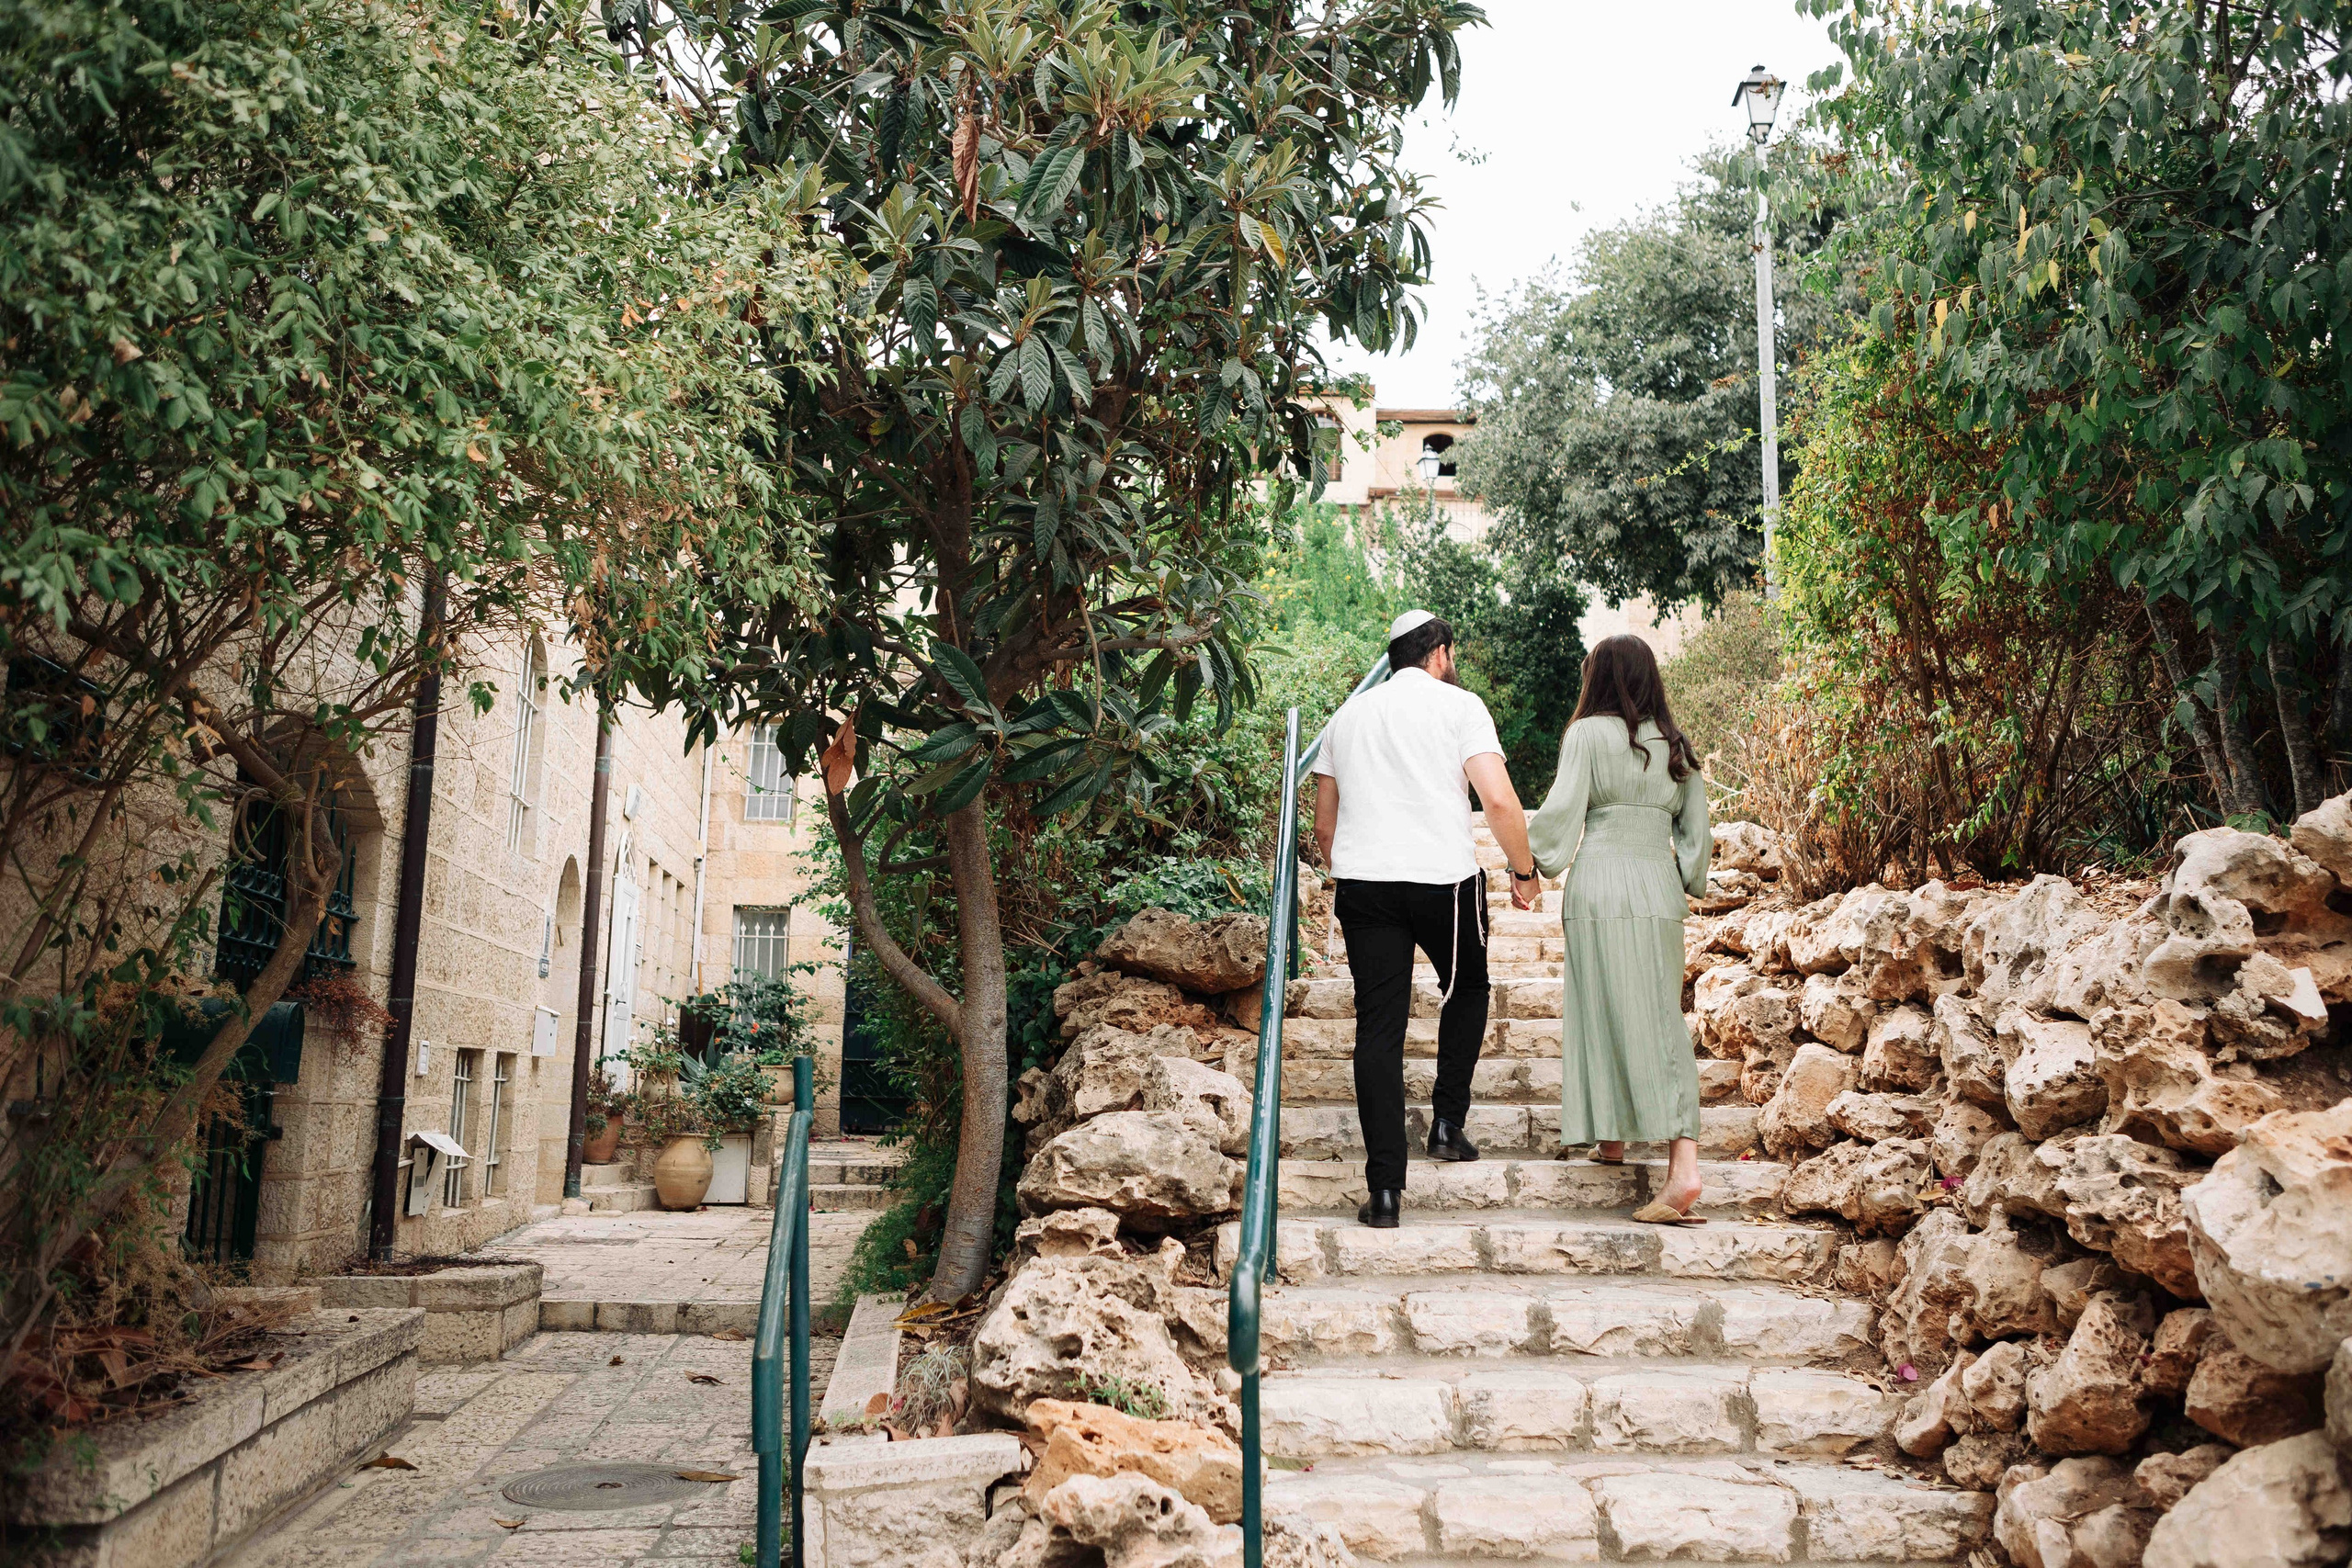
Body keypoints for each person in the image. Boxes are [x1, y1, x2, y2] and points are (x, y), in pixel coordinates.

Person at [1311, 609, 1541, 1229]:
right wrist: (1523, 871)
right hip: (1445, 882)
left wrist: (1356, 866)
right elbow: (1496, 797)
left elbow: (1324, 826)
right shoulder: (1459, 705)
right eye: (1452, 651)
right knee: (1466, 987)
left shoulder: (1346, 717)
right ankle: (1446, 1123)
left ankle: (1385, 1192)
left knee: (1377, 1029)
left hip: (1365, 886)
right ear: (1437, 651)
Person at [1525, 634, 1713, 1224]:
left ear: (1598, 679)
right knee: (1658, 1013)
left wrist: (1528, 866)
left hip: (1599, 883)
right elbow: (1697, 833)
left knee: (1601, 1004)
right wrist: (1684, 872)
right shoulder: (1675, 743)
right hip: (1656, 885)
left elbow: (1561, 813)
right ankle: (1613, 1137)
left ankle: (1684, 1172)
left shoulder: (1585, 735)